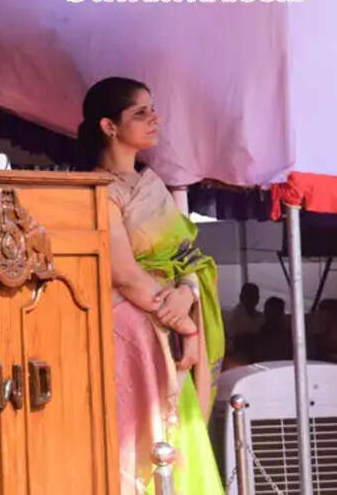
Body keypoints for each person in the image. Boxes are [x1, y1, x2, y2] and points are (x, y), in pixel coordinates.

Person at [77, 77, 225, 494]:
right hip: (131, 328)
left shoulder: (153, 183)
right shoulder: (97, 190)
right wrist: (183, 323)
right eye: (140, 113)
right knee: (144, 437)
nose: (153, 118)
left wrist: (188, 295)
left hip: (170, 317)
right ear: (109, 126)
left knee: (177, 432)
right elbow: (121, 273)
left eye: (152, 109)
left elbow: (185, 255)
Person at [225, 282, 263, 350]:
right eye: (249, 296)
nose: (252, 298)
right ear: (241, 297)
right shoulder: (236, 316)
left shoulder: (260, 316)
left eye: (254, 296)